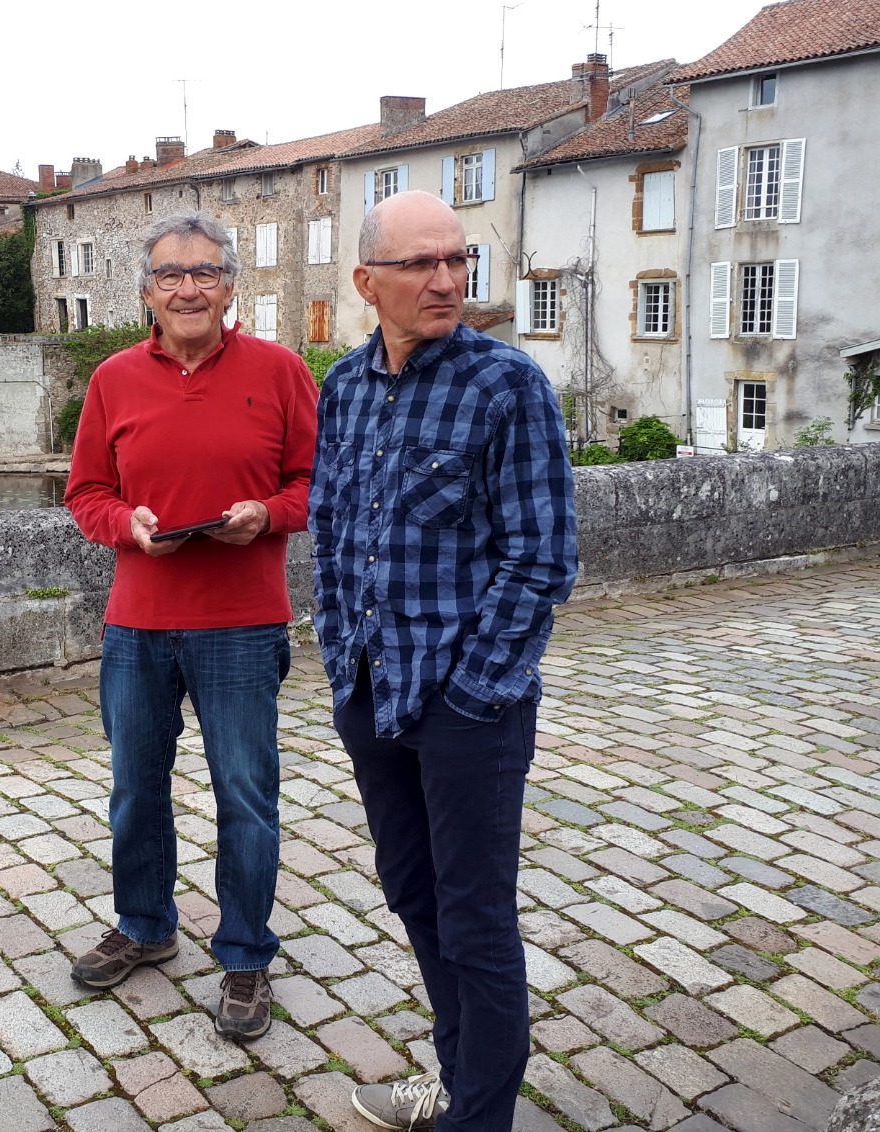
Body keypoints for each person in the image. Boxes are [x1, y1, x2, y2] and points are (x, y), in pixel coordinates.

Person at [309, 191, 578, 1131]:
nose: (446, 279)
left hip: (469, 710)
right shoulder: (344, 387)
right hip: (371, 692)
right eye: (420, 263)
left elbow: (543, 558)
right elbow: (335, 532)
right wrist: (339, 659)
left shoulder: (507, 386)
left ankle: (479, 1117)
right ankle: (460, 1079)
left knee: (476, 922)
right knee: (413, 893)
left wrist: (473, 692)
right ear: (367, 281)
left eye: (457, 259)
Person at [64, 210, 318, 1041]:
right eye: (170, 275)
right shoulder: (112, 380)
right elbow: (86, 493)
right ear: (146, 292)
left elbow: (318, 482)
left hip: (242, 624)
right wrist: (126, 526)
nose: (187, 289)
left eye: (204, 272)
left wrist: (267, 514)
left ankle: (244, 954)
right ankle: (145, 926)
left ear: (230, 286)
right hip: (137, 625)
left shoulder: (281, 372)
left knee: (246, 795)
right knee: (135, 790)